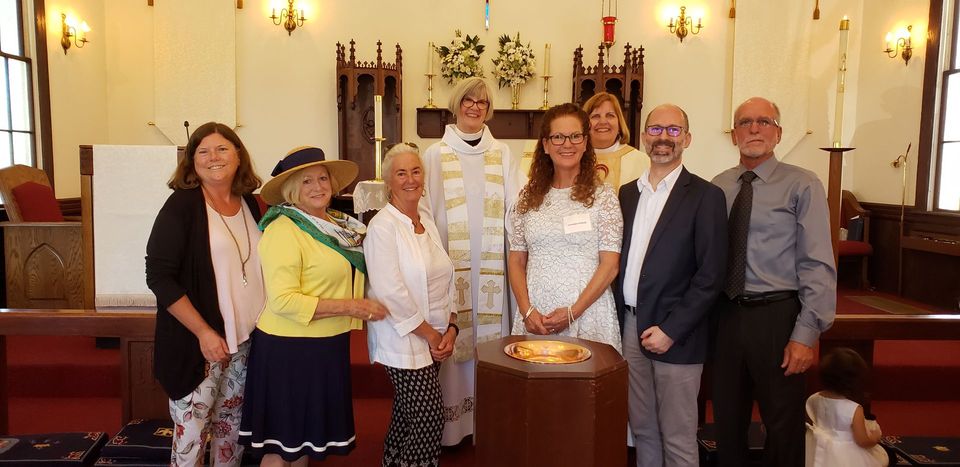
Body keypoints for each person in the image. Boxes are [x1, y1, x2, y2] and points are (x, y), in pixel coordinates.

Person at [238, 147, 387, 467]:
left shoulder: (341, 226)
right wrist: (353, 306)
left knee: (305, 444)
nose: (318, 186)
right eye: (307, 181)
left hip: (326, 345)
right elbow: (283, 300)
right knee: (280, 448)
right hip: (288, 349)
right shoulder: (283, 228)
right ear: (292, 190)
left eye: (323, 178)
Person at [711, 97, 837, 467]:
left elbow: (818, 264)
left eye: (764, 122)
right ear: (734, 134)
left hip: (777, 316)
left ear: (778, 133)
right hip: (726, 315)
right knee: (727, 422)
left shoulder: (803, 184)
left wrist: (805, 334)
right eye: (745, 122)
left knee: (783, 426)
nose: (754, 129)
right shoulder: (718, 186)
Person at [613, 104, 728, 467]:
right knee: (643, 428)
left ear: (687, 139)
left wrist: (671, 330)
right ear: (644, 136)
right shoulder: (627, 194)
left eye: (674, 131)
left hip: (677, 334)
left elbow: (710, 276)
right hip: (630, 326)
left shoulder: (706, 197)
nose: (664, 138)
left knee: (677, 436)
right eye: (656, 129)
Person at [145, 122, 265, 466]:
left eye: (222, 148)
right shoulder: (182, 206)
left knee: (231, 435)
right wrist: (203, 332)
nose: (214, 157)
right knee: (193, 437)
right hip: (199, 346)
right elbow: (159, 277)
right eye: (203, 151)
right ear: (191, 161)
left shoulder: (250, 205)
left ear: (238, 155)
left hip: (245, 342)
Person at [422, 76, 524, 445]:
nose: (475, 107)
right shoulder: (435, 154)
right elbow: (425, 210)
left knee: (491, 340)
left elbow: (519, 205)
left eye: (482, 102)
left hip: (494, 266)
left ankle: (488, 422)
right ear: (456, 103)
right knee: (455, 335)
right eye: (468, 100)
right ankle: (453, 428)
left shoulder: (503, 154)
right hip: (452, 265)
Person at [365, 143, 458, 467]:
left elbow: (446, 273)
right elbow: (391, 292)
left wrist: (451, 326)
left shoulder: (425, 221)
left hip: (435, 337)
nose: (410, 179)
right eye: (401, 173)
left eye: (415, 171)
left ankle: (392, 461)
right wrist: (432, 336)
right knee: (428, 421)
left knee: (408, 416)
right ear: (389, 181)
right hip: (403, 340)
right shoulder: (382, 227)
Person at [508, 102, 622, 349]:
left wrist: (574, 311)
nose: (567, 144)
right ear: (546, 145)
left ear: (585, 143)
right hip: (535, 315)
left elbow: (610, 265)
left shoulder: (603, 197)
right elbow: (516, 260)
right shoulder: (527, 198)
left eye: (574, 136)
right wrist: (527, 311)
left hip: (588, 313)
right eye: (558, 137)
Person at [805, 347, 889, 467]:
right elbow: (862, 441)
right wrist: (875, 438)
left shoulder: (813, 398)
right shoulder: (853, 409)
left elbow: (811, 420)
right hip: (844, 455)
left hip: (816, 447)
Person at [582, 92, 648, 192]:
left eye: (610, 115)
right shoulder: (575, 159)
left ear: (619, 123)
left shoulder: (641, 161)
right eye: (595, 116)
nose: (603, 122)